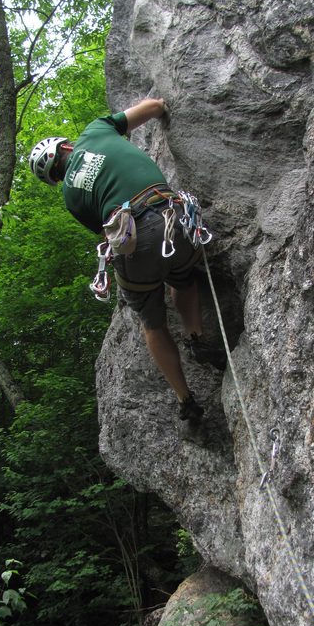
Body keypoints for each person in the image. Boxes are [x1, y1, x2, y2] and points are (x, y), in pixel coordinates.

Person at [29, 97, 224, 426]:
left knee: (152, 322)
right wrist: (163, 106)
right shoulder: (94, 131)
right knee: (183, 276)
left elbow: (109, 233)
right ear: (64, 147)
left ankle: (186, 400)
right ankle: (196, 338)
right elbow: (152, 107)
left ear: (57, 175)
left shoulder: (71, 197)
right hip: (174, 218)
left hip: (134, 238)